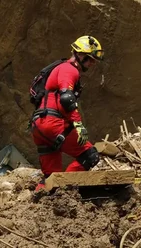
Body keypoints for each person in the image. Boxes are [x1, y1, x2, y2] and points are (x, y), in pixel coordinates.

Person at [30, 36, 103, 191]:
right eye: (90, 59)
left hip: (39, 127)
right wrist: (78, 124)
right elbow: (66, 98)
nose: (92, 64)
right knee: (90, 156)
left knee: (51, 178)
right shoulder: (69, 69)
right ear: (80, 55)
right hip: (52, 124)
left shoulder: (60, 69)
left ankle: (43, 202)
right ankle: (66, 190)